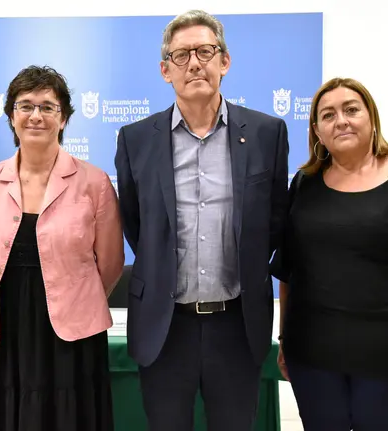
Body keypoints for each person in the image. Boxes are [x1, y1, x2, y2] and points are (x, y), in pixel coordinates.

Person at [114, 10, 289, 431]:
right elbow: (137, 226)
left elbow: (274, 222)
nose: (194, 63)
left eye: (205, 51)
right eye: (181, 55)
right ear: (164, 70)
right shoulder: (135, 139)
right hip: (164, 325)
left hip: (237, 322)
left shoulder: (267, 133)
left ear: (224, 61)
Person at [271, 77, 388, 430]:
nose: (340, 120)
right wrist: (284, 340)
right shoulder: (303, 185)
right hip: (311, 359)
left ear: (371, 118)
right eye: (328, 115)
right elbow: (289, 270)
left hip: (387, 362)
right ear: (317, 131)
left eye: (351, 110)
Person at [0, 65, 124, 431]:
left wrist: (76, 300)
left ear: (64, 118)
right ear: (11, 116)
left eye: (48, 107)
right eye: (25, 105)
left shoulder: (94, 182)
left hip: (72, 334)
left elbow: (111, 263)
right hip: (5, 326)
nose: (36, 115)